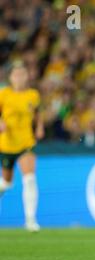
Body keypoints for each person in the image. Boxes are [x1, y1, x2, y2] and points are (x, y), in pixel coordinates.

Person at [0, 62, 44, 232]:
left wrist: (39, 126)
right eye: (16, 74)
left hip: (26, 142)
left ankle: (30, 220)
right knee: (6, 183)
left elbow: (38, 113)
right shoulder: (4, 94)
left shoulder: (33, 95)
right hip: (6, 144)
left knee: (29, 178)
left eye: (23, 74)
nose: (20, 78)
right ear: (10, 77)